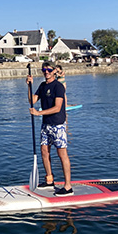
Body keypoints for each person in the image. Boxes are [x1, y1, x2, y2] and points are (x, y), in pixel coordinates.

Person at [27, 62, 73, 196]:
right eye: (44, 70)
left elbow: (58, 108)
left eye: (48, 70)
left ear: (54, 71)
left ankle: (68, 187)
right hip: (46, 125)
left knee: (62, 154)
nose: (46, 72)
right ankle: (49, 179)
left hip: (58, 125)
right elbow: (31, 101)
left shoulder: (58, 87)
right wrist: (29, 86)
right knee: (44, 152)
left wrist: (38, 113)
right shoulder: (42, 86)